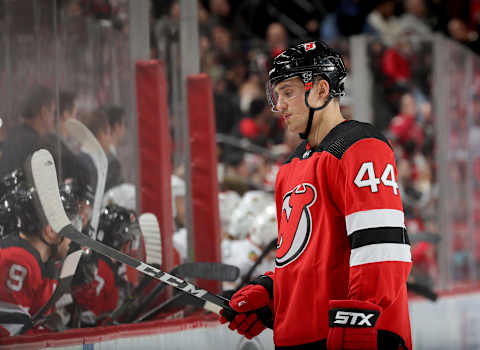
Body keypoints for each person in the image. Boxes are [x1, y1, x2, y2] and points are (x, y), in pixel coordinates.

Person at [220, 41, 412, 350]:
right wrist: (273, 292)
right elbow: (305, 258)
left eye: (288, 92)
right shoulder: (290, 167)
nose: (279, 105)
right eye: (277, 94)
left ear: (322, 90)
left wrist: (359, 319)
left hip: (360, 335)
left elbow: (383, 249)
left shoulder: (361, 147)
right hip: (301, 338)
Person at [0, 170, 77, 336]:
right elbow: (8, 335)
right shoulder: (17, 260)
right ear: (50, 230)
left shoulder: (44, 263)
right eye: (69, 226)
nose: (73, 237)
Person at [71, 204, 137, 326]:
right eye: (127, 243)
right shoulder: (104, 271)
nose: (127, 249)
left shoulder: (90, 261)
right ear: (119, 241)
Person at [0, 84, 55, 177]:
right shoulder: (38, 146)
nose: (54, 118)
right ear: (44, 112)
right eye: (53, 112)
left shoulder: (11, 135)